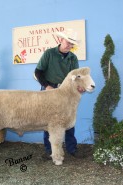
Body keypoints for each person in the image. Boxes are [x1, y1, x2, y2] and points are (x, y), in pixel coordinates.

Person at [34, 29, 83, 159]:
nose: (69, 46)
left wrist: (80, 87)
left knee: (68, 119)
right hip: (49, 90)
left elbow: (76, 77)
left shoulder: (73, 58)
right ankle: (49, 149)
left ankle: (72, 148)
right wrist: (47, 86)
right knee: (48, 120)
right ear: (60, 40)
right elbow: (38, 72)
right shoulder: (49, 53)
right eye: (67, 42)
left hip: (66, 91)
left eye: (72, 44)